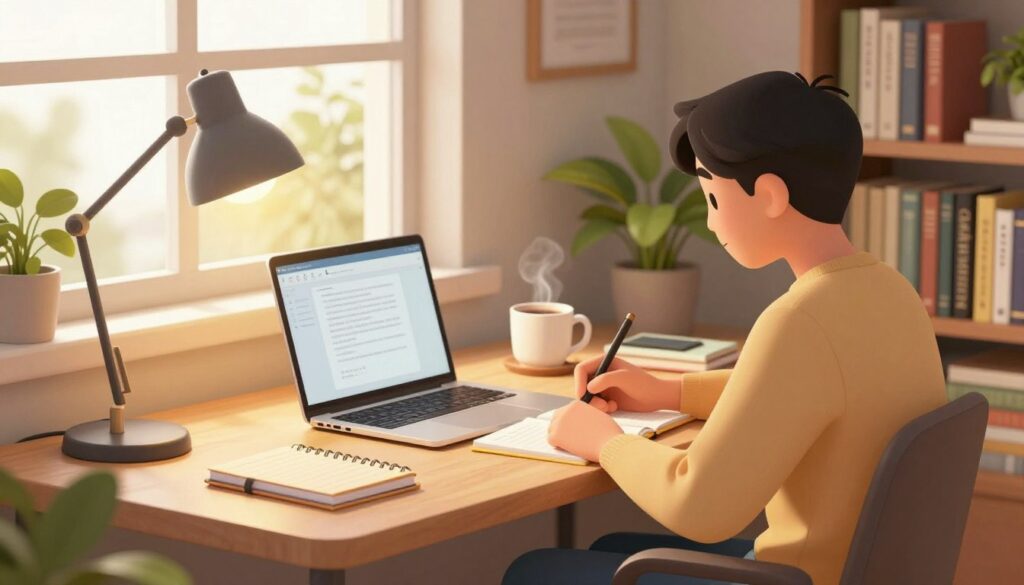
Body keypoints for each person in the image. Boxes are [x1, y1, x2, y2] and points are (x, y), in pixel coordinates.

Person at [502, 71, 947, 585]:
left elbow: (701, 508)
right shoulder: (889, 292)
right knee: (609, 548)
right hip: (851, 570)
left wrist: (603, 441)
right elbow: (794, 394)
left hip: (797, 578)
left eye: (713, 199)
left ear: (772, 196)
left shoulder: (798, 321)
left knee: (535, 571)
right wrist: (669, 390)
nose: (711, 224)